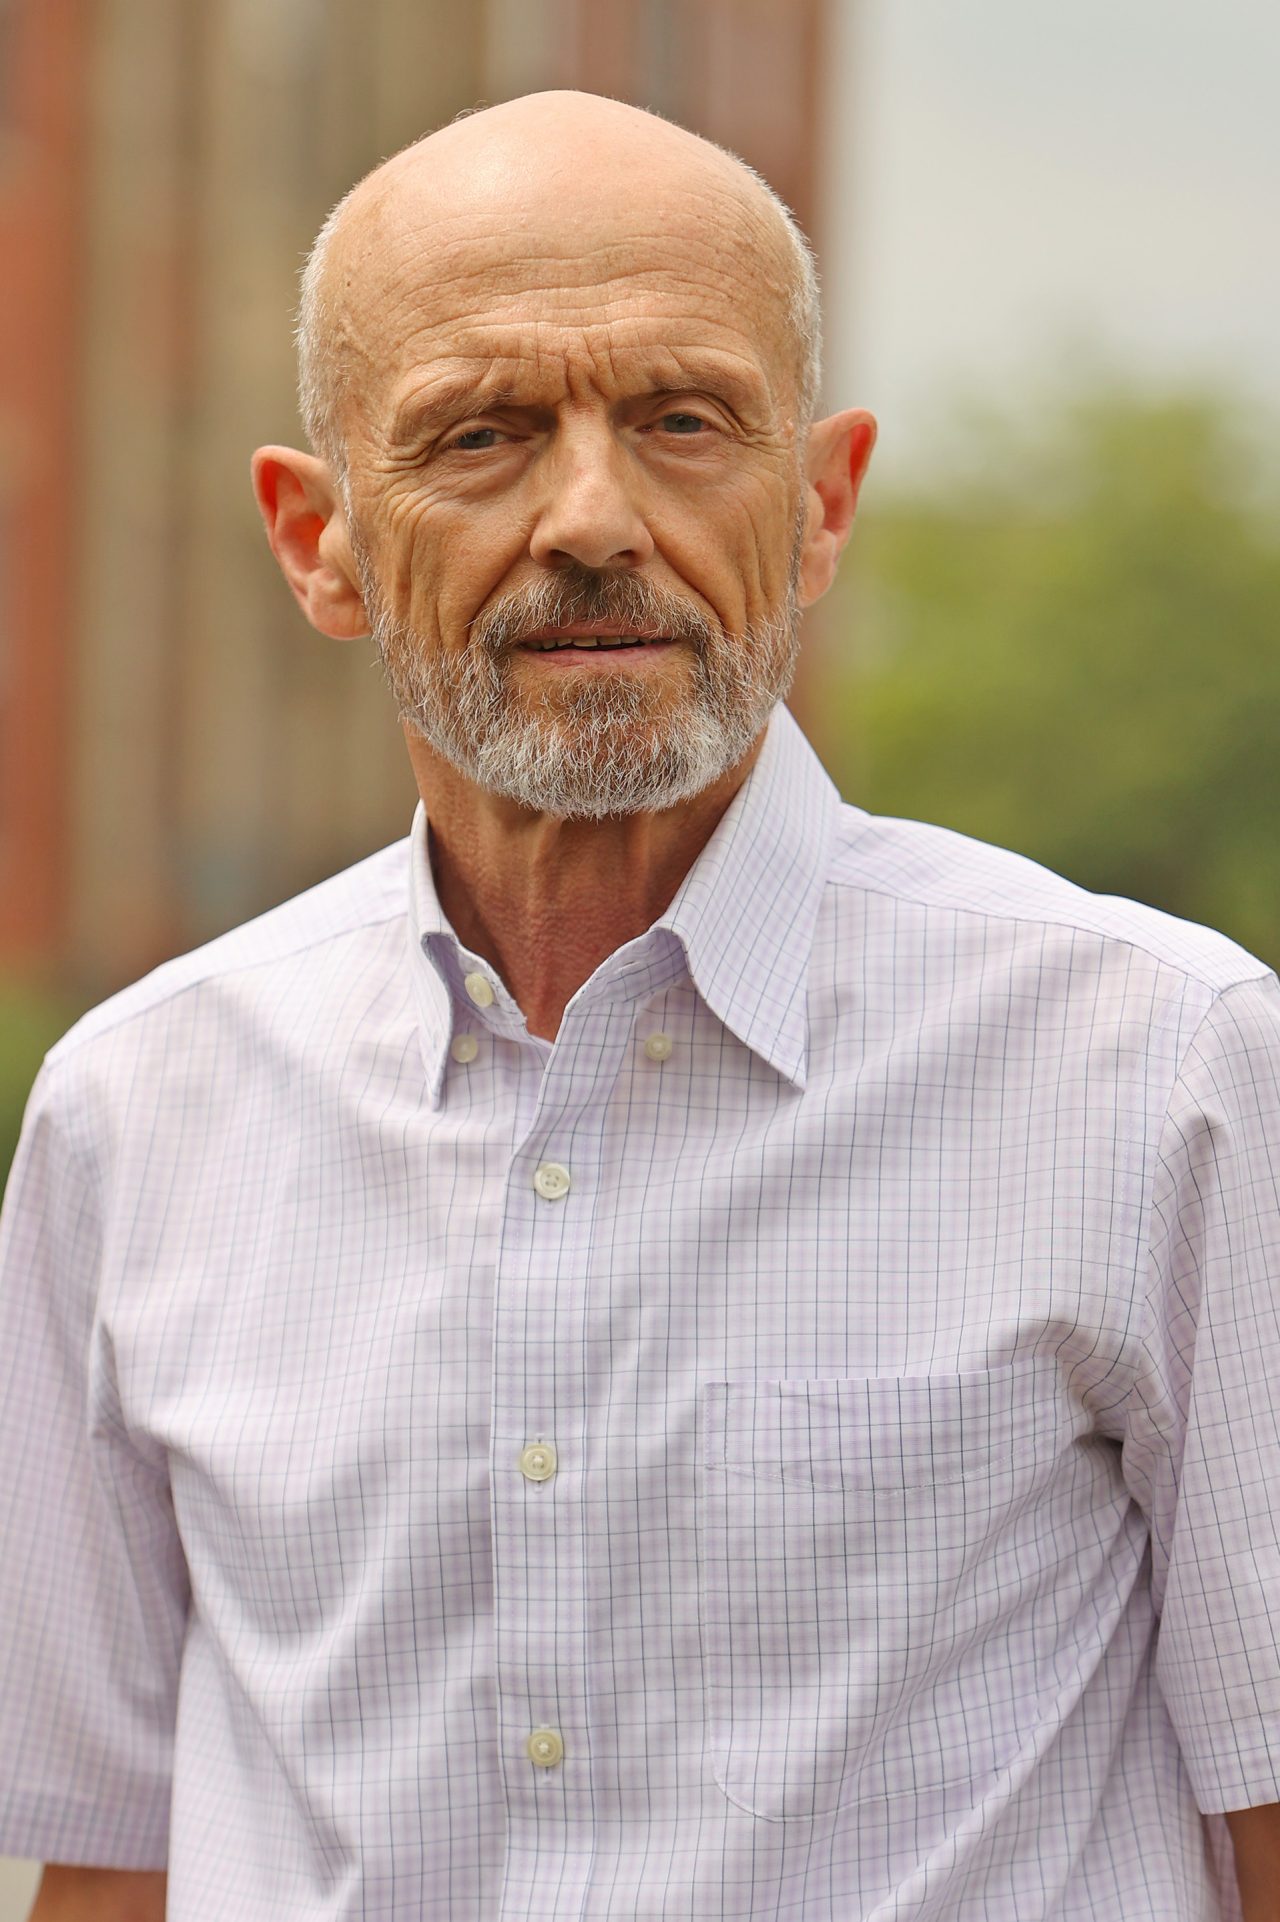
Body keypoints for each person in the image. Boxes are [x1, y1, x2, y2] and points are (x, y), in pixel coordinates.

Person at [1, 88, 1278, 1922]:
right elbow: (112, 1867)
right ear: (318, 540)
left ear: (818, 504)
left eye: (683, 420)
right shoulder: (136, 1116)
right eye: (482, 433)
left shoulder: (1163, 1069)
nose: (593, 518)